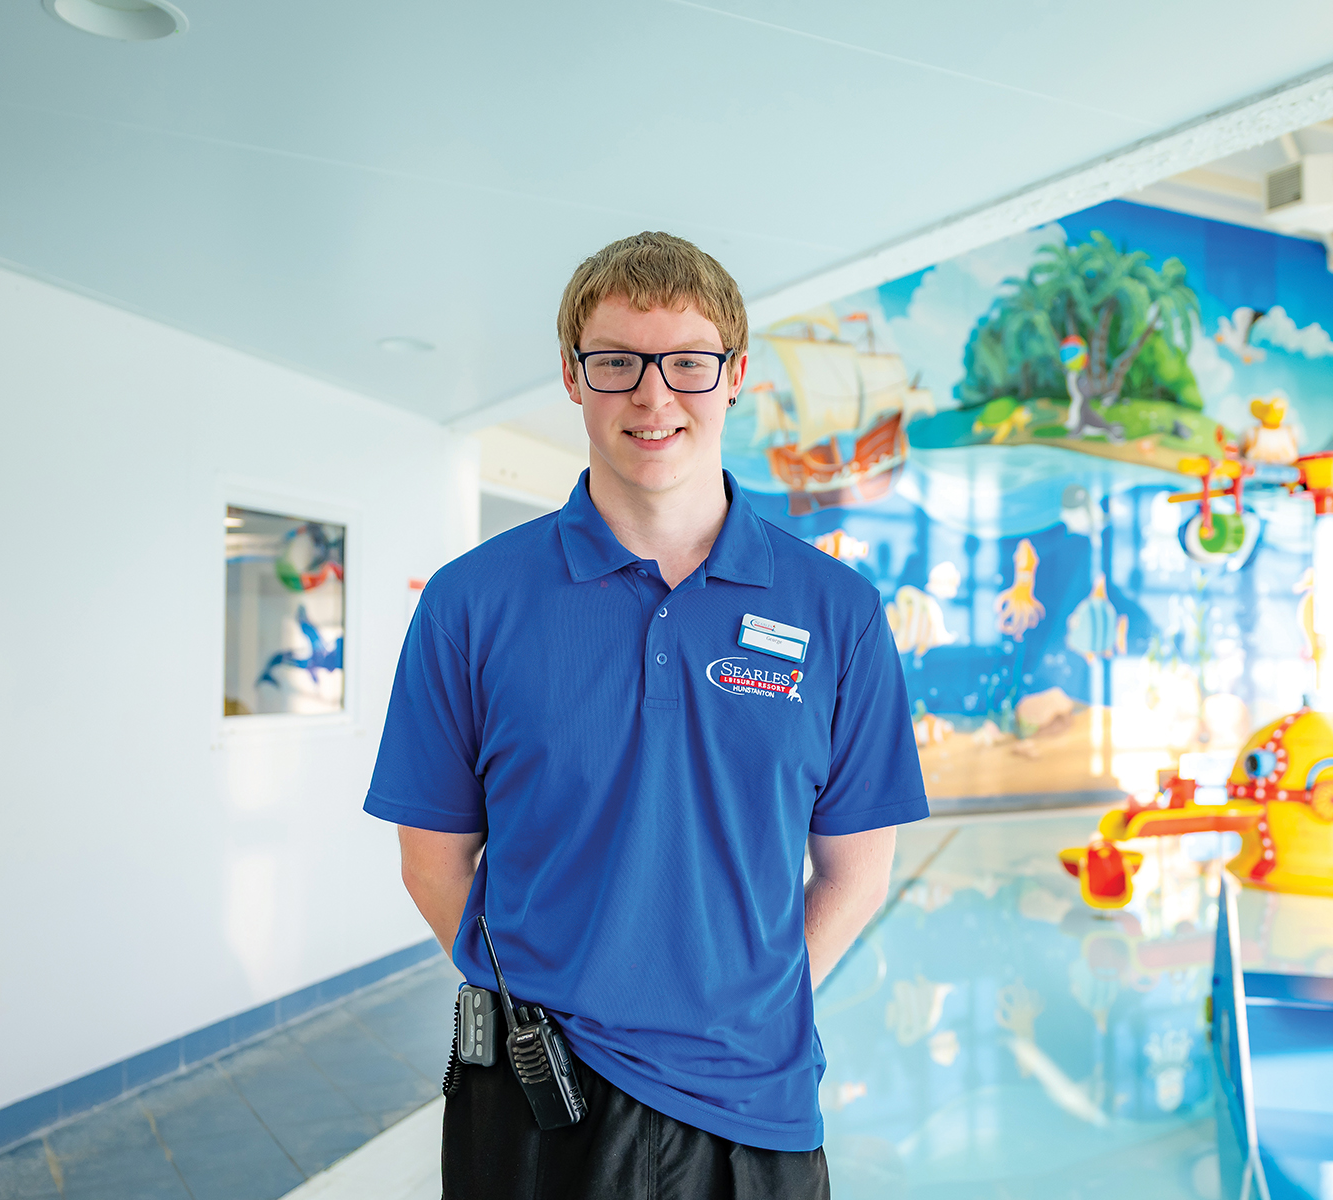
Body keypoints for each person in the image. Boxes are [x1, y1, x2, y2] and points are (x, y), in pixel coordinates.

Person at [364, 231, 928, 1198]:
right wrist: (549, 1001)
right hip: (539, 1097)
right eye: (618, 362)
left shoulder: (837, 612)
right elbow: (431, 861)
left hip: (754, 1107)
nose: (654, 396)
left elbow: (856, 872)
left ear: (735, 375)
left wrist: (740, 1011)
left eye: (688, 363)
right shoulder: (472, 602)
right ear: (573, 376)